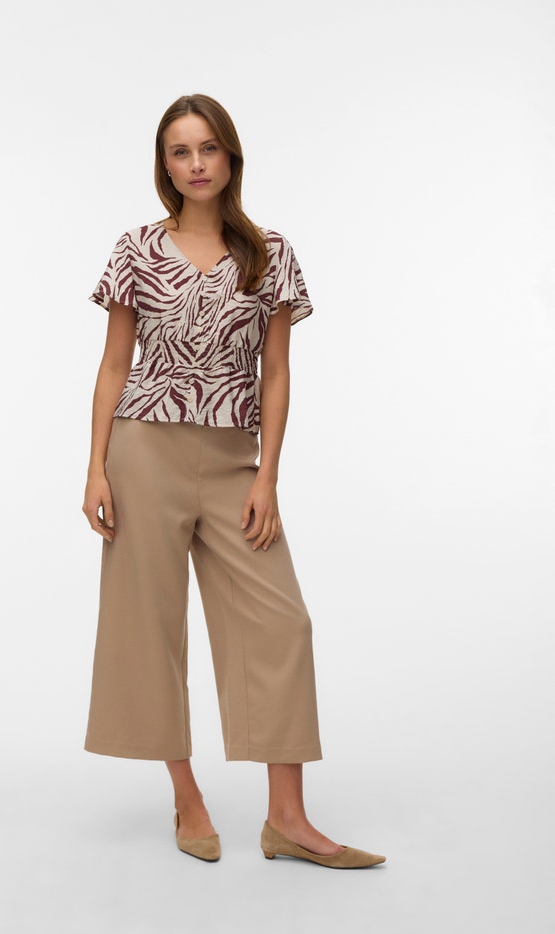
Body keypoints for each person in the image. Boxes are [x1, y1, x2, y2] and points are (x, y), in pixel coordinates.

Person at [81, 93, 385, 869]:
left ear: (230, 156)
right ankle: (187, 797)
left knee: (283, 624)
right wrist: (94, 469)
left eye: (208, 147)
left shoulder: (269, 252)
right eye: (180, 151)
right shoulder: (135, 248)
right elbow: (115, 365)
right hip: (142, 452)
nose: (196, 164)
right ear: (165, 165)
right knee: (150, 628)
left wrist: (267, 477)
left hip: (231, 461)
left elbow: (275, 372)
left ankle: (288, 819)